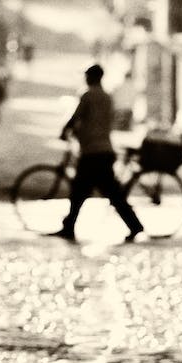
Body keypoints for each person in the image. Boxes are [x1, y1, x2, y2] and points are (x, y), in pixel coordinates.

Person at [50, 63, 143, 243]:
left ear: (91, 77)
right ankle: (133, 225)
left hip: (92, 152)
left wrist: (65, 131)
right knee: (102, 193)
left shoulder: (88, 95)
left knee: (84, 192)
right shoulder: (107, 97)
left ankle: (70, 227)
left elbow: (76, 117)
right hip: (104, 150)